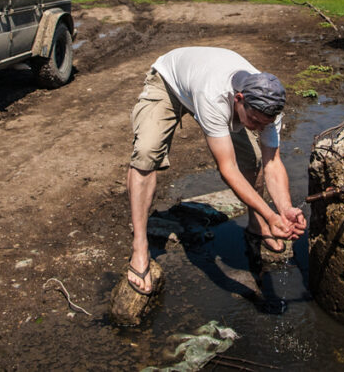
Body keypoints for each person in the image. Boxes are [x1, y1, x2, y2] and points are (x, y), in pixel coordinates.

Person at [126, 46, 306, 295]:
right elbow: (227, 169)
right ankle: (140, 247)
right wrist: (271, 214)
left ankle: (257, 225)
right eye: (253, 121)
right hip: (170, 81)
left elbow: (272, 163)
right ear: (239, 99)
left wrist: (284, 210)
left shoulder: (269, 109)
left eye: (262, 125)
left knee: (253, 159)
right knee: (146, 153)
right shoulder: (213, 94)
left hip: (207, 83)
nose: (256, 128)